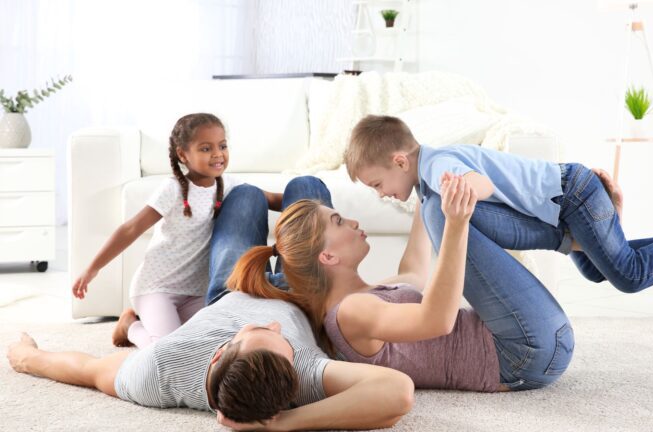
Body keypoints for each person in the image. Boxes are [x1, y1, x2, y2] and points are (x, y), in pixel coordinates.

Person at [226, 172, 575, 394]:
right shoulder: (350, 313)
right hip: (520, 354)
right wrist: (453, 225)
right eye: (339, 221)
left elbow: (413, 273)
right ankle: (576, 225)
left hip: (527, 348)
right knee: (451, 211)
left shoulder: (361, 297)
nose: (352, 221)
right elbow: (437, 319)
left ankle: (579, 237)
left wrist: (424, 192)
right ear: (328, 256)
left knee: (440, 204)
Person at [343, 115, 653, 292]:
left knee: (629, 276)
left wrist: (462, 189)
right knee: (597, 270)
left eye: (378, 183)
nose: (380, 194)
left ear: (400, 160)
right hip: (567, 198)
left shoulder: (437, 167)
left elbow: (479, 183)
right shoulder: (429, 175)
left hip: (571, 196)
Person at [6, 292, 414, 429]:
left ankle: (134, 326)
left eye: (264, 331)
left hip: (230, 283)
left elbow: (87, 370)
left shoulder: (158, 372)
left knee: (244, 200)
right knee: (306, 193)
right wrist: (285, 422)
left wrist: (28, 358)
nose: (275, 324)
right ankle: (135, 326)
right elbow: (398, 392)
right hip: (293, 289)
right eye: (275, 335)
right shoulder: (302, 373)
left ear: (219, 351)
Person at [71, 113, 281, 348]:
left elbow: (271, 199)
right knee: (168, 349)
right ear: (183, 155)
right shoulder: (173, 189)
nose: (217, 154)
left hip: (196, 293)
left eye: (222, 146)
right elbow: (131, 228)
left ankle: (165, 324)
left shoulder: (230, 186)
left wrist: (305, 198)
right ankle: (130, 326)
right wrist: (92, 269)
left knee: (215, 341)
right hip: (157, 289)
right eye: (205, 149)